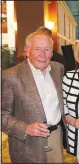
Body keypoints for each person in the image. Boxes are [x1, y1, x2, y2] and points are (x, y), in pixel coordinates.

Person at [2, 31, 65, 163]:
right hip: (26, 144)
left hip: (55, 138)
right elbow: (2, 115)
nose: (42, 54)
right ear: (27, 50)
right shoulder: (10, 76)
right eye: (37, 49)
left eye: (47, 49)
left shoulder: (58, 69)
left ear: (52, 53)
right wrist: (25, 128)